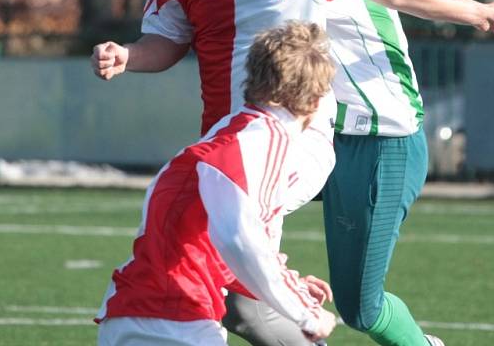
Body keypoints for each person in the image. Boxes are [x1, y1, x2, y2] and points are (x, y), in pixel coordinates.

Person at [92, 0, 494, 345]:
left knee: (235, 271)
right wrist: (127, 55)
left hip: (289, 144)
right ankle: (281, 289)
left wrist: (479, 12)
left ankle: (282, 290)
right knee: (233, 290)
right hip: (225, 144)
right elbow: (167, 42)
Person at [95, 21, 339, 345]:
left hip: (135, 313)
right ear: (314, 100)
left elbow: (216, 248)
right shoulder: (264, 140)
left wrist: (286, 284)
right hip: (175, 321)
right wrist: (304, 310)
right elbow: (240, 238)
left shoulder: (232, 131)